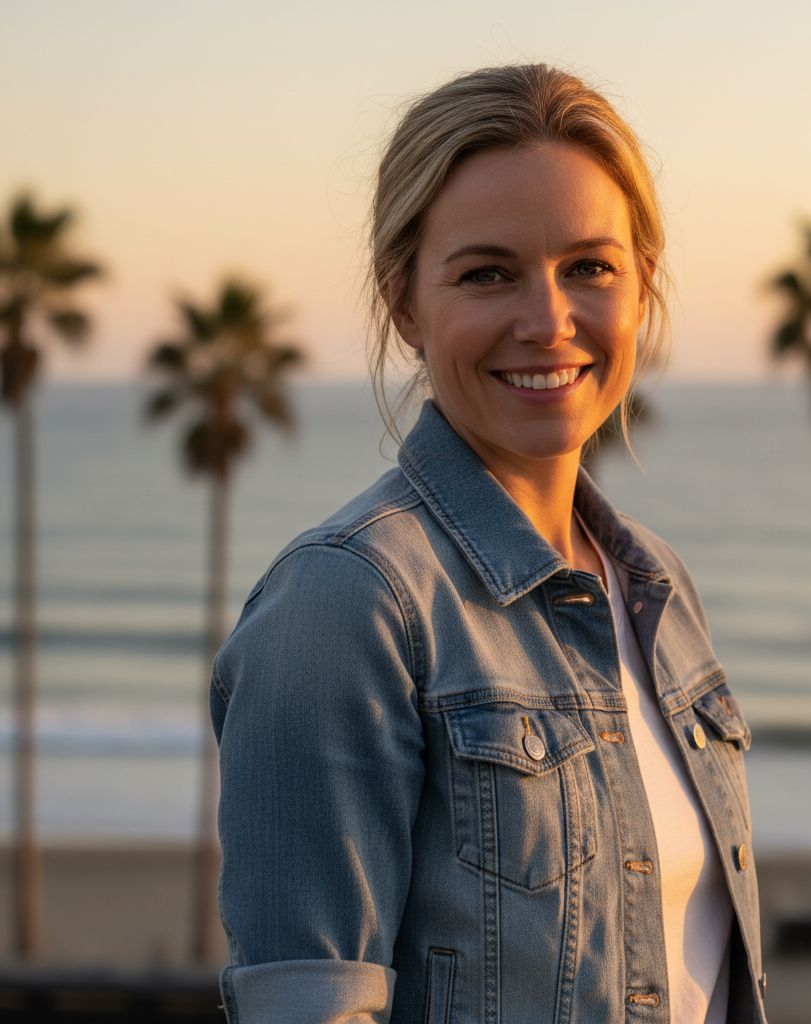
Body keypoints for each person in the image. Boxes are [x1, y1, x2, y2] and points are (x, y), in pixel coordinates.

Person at [211, 64, 766, 1024]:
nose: (548, 321)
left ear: (642, 287)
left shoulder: (657, 585)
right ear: (405, 304)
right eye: (487, 273)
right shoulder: (347, 605)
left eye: (590, 267)